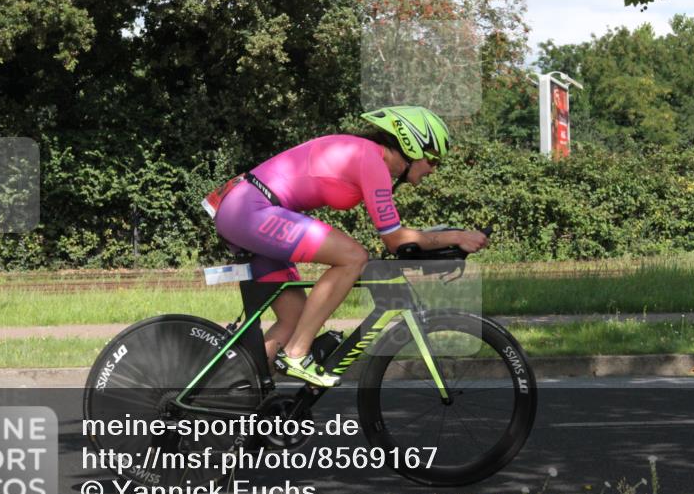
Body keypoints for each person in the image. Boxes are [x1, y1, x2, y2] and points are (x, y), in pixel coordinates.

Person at [205, 106, 489, 387]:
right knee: (353, 257)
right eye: (433, 159)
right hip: (251, 210)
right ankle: (296, 354)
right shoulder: (371, 160)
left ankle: (232, 392)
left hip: (244, 209)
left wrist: (441, 238)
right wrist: (456, 236)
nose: (434, 169)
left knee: (295, 320)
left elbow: (395, 233)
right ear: (411, 145)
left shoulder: (366, 155)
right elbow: (394, 239)